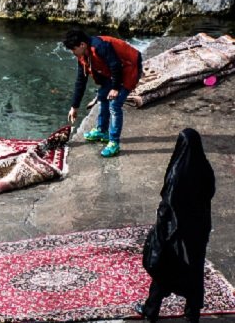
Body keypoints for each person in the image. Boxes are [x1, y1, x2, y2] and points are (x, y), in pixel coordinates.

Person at [136, 128, 215, 323]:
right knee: (194, 270)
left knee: (165, 268)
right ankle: (192, 314)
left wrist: (161, 230)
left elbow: (168, 203)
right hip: (197, 229)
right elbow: (209, 194)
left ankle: (151, 310)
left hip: (176, 230)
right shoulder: (205, 168)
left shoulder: (177, 173)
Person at [63, 29, 142, 157]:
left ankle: (114, 143)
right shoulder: (82, 55)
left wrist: (116, 88)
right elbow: (80, 81)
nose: (73, 53)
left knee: (115, 105)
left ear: (82, 45)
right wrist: (74, 106)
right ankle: (102, 131)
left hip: (129, 66)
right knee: (103, 96)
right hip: (114, 71)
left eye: (73, 49)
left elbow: (115, 65)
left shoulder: (100, 46)